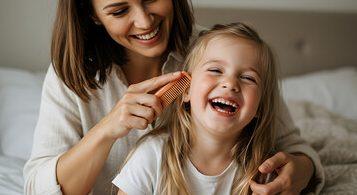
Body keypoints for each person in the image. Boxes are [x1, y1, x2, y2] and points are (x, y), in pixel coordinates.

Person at [23, 0, 324, 194]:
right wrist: (107, 128)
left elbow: (293, 146)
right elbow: (39, 188)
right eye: (119, 11)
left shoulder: (218, 53)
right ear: (93, 15)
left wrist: (300, 171)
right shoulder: (73, 77)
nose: (144, 21)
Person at [112, 22, 283, 194]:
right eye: (216, 70)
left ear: (260, 107)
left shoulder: (265, 174)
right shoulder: (153, 155)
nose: (230, 84)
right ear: (186, 90)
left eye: (248, 78)